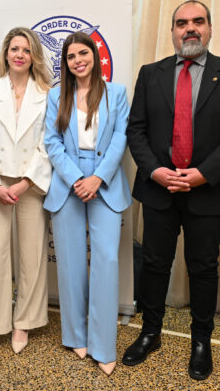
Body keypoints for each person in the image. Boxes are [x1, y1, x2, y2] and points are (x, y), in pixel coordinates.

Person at [124, 0, 220, 380]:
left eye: (198, 21)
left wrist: (203, 173)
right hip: (159, 190)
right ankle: (150, 333)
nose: (190, 28)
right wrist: (156, 171)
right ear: (172, 31)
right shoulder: (151, 74)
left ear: (210, 28)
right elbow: (136, 130)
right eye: (182, 23)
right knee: (154, 265)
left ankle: (201, 342)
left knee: (203, 269)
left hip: (207, 192)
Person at [43, 31, 131, 376]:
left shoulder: (117, 93)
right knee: (70, 263)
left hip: (105, 181)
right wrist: (76, 178)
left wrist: (98, 178)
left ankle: (103, 345)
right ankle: (75, 335)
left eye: (83, 53)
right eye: (71, 56)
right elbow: (52, 142)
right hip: (68, 182)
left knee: (106, 262)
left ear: (95, 56)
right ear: (65, 63)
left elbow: (121, 138)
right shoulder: (56, 96)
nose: (78, 60)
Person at [0, 27, 53, 360]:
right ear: (6, 53)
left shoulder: (47, 93)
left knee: (32, 254)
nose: (20, 54)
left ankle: (25, 322)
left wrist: (25, 182)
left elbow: (48, 143)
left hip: (30, 184)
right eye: (14, 48)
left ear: (34, 56)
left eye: (26, 49)